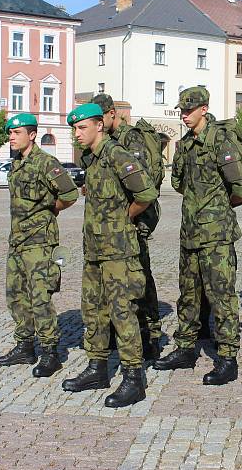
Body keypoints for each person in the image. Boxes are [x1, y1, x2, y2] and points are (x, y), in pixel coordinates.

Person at [154, 87, 242, 386]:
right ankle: (185, 348)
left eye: (189, 109)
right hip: (190, 233)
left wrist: (217, 207)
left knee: (221, 297)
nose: (184, 114)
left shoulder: (222, 142)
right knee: (189, 294)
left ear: (204, 109)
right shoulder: (185, 144)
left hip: (216, 236)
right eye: (182, 110)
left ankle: (227, 357)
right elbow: (180, 183)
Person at [62, 103, 158, 407]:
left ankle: (133, 377)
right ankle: (97, 367)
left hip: (118, 251)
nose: (76, 134)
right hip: (95, 249)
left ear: (99, 126)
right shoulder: (92, 159)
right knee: (93, 310)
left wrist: (124, 219)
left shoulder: (117, 154)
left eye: (82, 128)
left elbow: (145, 194)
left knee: (122, 312)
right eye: (74, 129)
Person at [0, 113, 78, 377]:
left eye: (16, 133)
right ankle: (25, 346)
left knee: (40, 297)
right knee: (16, 296)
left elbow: (70, 194)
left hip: (40, 242)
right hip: (17, 241)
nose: (11, 138)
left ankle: (51, 352)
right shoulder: (16, 163)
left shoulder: (46, 163)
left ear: (31, 135)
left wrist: (51, 210)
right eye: (10, 133)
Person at [91, 93, 163, 360]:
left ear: (112, 114)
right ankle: (118, 330)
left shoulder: (131, 139)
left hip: (137, 218)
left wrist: (128, 215)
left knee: (139, 274)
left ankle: (151, 334)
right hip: (112, 223)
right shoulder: (103, 142)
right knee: (114, 279)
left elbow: (141, 185)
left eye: (101, 118)